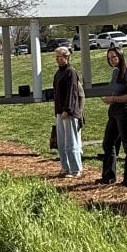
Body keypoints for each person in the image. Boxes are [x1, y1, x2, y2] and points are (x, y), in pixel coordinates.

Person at [99, 47, 127, 187]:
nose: (112, 60)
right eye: (109, 58)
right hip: (114, 112)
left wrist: (113, 99)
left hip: (126, 113)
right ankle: (108, 176)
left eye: (114, 57)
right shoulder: (115, 72)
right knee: (108, 143)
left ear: (120, 57)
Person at [52, 46, 82, 178]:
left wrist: (67, 109)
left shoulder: (71, 72)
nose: (58, 59)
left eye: (61, 57)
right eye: (57, 57)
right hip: (59, 111)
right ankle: (65, 167)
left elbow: (72, 93)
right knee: (62, 142)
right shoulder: (58, 73)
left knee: (71, 141)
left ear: (67, 57)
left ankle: (75, 169)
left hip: (68, 112)